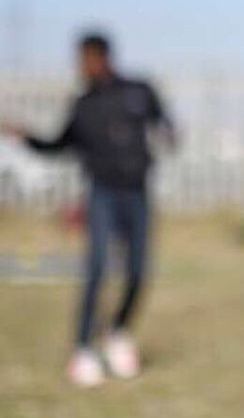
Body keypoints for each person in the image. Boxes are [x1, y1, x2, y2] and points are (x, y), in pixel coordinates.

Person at [1, 32, 173, 386]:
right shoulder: (83, 105)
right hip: (102, 193)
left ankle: (117, 333)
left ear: (103, 57)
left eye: (87, 59)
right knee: (96, 268)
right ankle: (83, 349)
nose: (83, 66)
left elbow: (163, 123)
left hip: (137, 192)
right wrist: (25, 136)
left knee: (139, 269)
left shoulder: (138, 91)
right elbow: (57, 145)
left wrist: (168, 134)